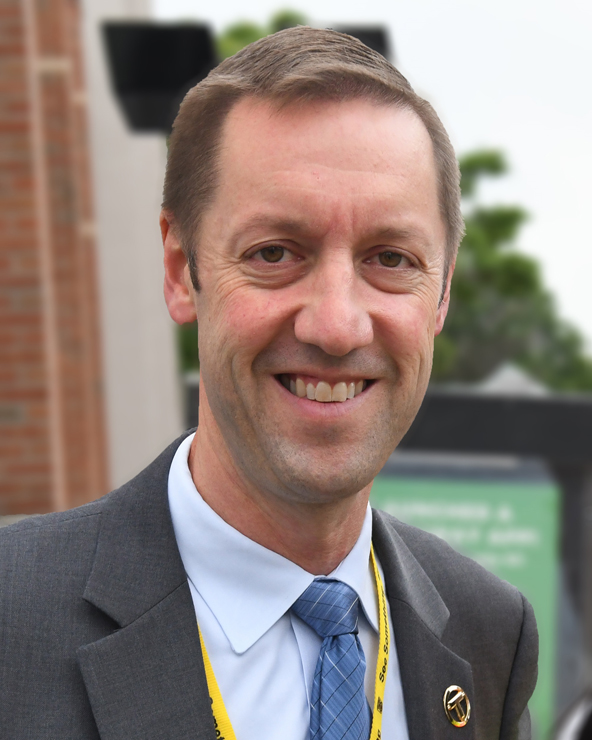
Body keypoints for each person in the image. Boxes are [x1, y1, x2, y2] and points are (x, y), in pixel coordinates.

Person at [0, 27, 537, 740]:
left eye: (390, 258)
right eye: (276, 252)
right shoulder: (14, 616)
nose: (338, 325)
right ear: (179, 269)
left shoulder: (489, 635)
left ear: (440, 296)